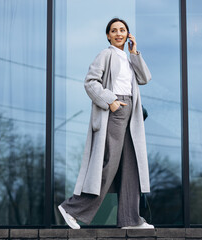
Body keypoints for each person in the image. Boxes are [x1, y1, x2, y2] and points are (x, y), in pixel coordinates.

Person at [58, 17, 153, 229]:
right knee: (108, 166)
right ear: (108, 35)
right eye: (114, 30)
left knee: (131, 167)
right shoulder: (105, 54)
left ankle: (130, 220)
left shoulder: (129, 59)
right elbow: (90, 82)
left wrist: (134, 52)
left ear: (128, 34)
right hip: (116, 110)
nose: (118, 33)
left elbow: (145, 78)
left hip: (131, 114)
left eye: (122, 30)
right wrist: (110, 101)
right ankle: (72, 208)